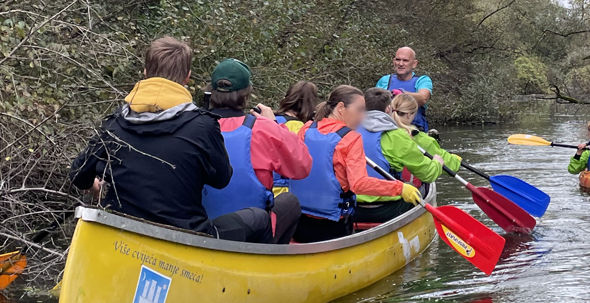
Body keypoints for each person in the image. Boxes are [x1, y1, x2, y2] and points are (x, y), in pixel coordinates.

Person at [69, 37, 265, 243]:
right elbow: (222, 179)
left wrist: (95, 187)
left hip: (123, 234)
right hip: (187, 238)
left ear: (145, 74)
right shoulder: (203, 125)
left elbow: (78, 174)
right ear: (187, 78)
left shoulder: (115, 123)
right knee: (259, 218)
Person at [289, 85, 422, 243]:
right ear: (340, 108)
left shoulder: (305, 129)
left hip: (300, 221)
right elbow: (359, 184)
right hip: (333, 225)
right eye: (360, 110)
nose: (363, 117)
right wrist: (401, 188)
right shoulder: (351, 138)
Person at [202, 58, 312, 244]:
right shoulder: (263, 128)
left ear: (210, 92)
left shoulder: (195, 126)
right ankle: (273, 260)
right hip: (253, 234)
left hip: (203, 227)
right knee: (290, 202)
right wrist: (274, 124)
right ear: (246, 94)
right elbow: (302, 166)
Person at [355, 88, 445, 223]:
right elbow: (428, 174)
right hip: (388, 209)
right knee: (423, 186)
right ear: (388, 109)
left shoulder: (348, 131)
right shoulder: (397, 136)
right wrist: (437, 163)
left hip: (354, 209)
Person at [389, 93, 462, 188]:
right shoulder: (418, 137)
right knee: (431, 182)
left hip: (385, 185)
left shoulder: (381, 132)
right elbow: (445, 166)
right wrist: (456, 161)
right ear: (408, 115)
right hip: (404, 191)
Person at [376, 47, 433, 132]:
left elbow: (423, 98)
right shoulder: (385, 80)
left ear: (414, 64)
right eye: (398, 60)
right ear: (394, 61)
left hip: (415, 130)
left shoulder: (422, 80)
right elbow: (374, 104)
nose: (401, 64)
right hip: (389, 129)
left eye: (405, 60)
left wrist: (402, 94)